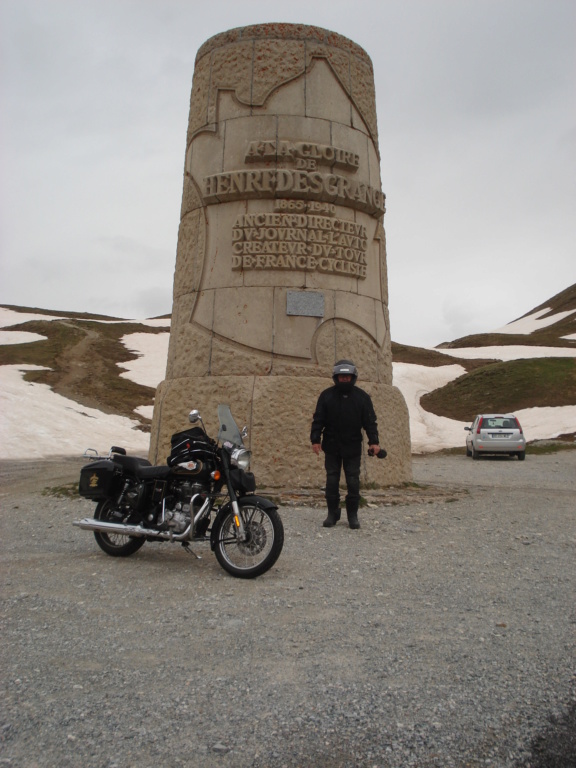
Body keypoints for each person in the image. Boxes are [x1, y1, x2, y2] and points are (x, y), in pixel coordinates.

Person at [310, 360, 381, 529]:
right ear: (336, 377)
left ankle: (352, 515)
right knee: (332, 480)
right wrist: (315, 440)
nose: (344, 379)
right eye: (341, 376)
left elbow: (370, 422)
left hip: (353, 446)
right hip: (331, 446)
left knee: (353, 481)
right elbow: (318, 419)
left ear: (353, 377)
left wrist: (374, 442)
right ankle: (332, 514)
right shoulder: (326, 395)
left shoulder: (362, 397)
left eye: (347, 376)